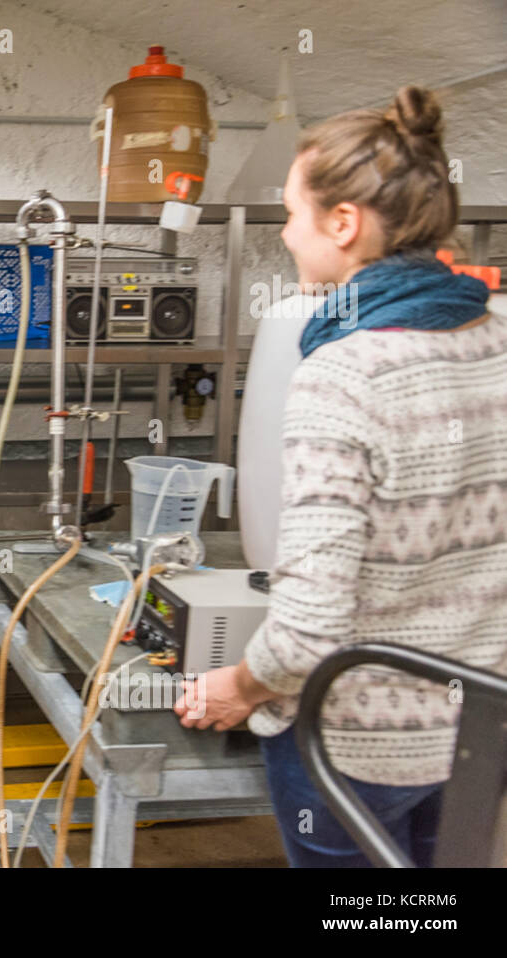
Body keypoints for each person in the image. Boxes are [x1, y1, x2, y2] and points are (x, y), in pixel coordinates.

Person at [175, 86, 507, 867]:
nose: (287, 235)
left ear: (345, 224)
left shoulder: (344, 373)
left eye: (292, 214)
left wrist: (236, 688)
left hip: (359, 744)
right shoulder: (497, 339)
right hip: (478, 729)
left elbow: (308, 634)